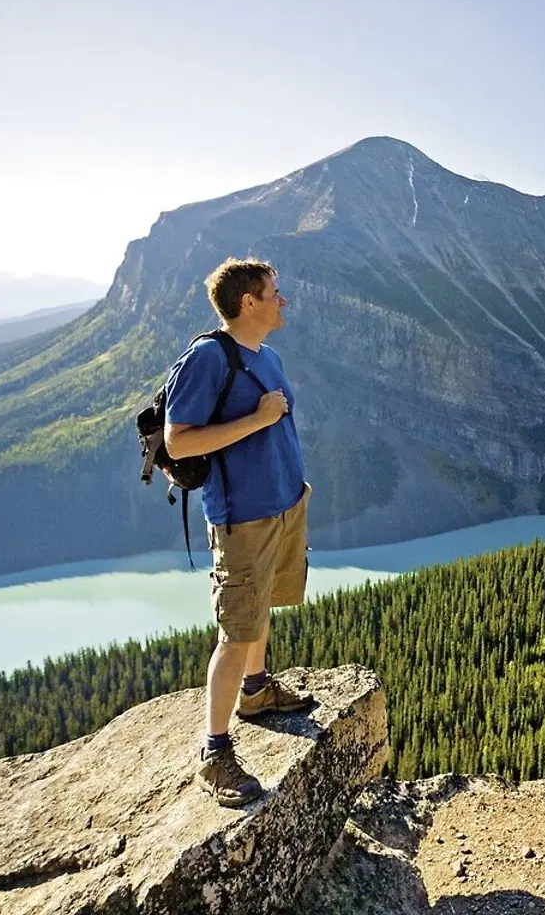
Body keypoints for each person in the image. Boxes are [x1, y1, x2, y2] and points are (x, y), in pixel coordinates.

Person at [164, 256, 314, 806]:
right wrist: (257, 419)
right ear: (248, 303)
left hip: (281, 503)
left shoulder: (267, 355)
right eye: (275, 292)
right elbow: (179, 441)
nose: (283, 300)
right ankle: (215, 750)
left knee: (261, 608)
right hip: (242, 516)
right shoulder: (208, 358)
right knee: (236, 629)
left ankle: (255, 691)